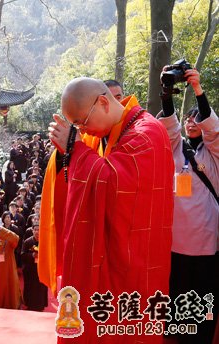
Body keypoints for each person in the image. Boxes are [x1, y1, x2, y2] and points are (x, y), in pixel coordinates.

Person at [44, 77, 174, 343]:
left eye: (82, 122)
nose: (85, 132)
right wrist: (72, 150)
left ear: (103, 102)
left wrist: (75, 148)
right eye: (77, 127)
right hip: (127, 253)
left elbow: (114, 184)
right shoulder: (124, 129)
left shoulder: (145, 132)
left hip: (136, 261)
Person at [158, 67, 218, 344]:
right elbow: (168, 127)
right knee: (178, 294)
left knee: (204, 295)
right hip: (176, 240)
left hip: (207, 240)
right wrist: (167, 93)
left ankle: (203, 336)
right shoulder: (175, 149)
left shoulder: (214, 154)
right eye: (188, 118)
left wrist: (197, 90)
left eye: (197, 118)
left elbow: (214, 131)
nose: (192, 122)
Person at [0, 224, 21, 309]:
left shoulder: (8, 239)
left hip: (9, 267)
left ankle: (12, 304)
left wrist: (3, 231)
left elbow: (16, 239)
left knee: (10, 285)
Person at [21, 225, 48, 311]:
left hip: (41, 269)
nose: (37, 232)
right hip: (30, 269)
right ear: (32, 231)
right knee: (30, 287)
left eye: (38, 230)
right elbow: (22, 255)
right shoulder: (27, 242)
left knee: (41, 287)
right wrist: (31, 255)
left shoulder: (45, 241)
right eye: (35, 230)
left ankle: (41, 304)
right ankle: (29, 304)